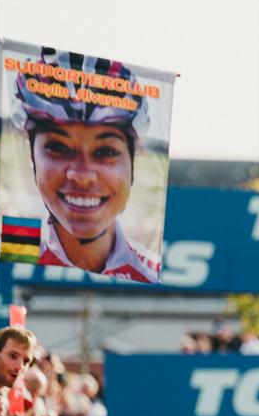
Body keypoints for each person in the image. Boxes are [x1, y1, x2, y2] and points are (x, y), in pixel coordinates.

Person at [13, 50, 161, 283]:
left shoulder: (148, 271)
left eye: (106, 152)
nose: (82, 175)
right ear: (30, 153)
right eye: (58, 148)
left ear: (134, 159)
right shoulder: (10, 250)